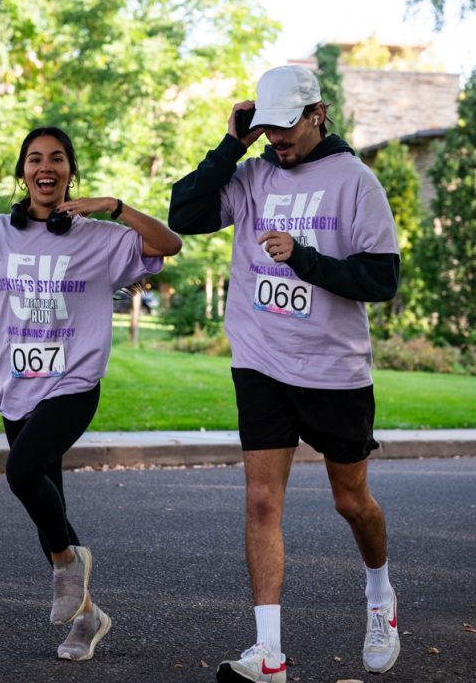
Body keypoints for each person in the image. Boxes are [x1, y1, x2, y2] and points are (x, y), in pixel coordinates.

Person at [167, 65, 402, 679]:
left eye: (286, 126)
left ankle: (380, 595)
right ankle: (268, 653)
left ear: (317, 113)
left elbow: (381, 279)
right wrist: (231, 145)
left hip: (333, 369)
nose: (277, 139)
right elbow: (184, 214)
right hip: (261, 360)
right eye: (266, 128)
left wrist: (304, 259)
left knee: (351, 502)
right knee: (262, 501)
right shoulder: (251, 175)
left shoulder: (356, 181)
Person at [0, 125, 181, 662]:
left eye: (57, 158)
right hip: (16, 385)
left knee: (20, 473)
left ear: (69, 172)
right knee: (48, 506)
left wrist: (115, 205)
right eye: (35, 159)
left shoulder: (98, 238)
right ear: (23, 172)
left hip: (73, 382)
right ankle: (87, 616)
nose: (46, 167)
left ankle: (66, 567)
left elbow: (168, 244)